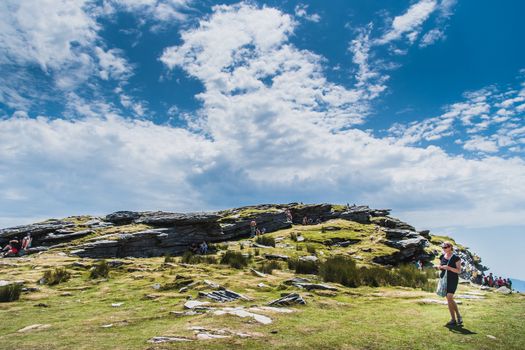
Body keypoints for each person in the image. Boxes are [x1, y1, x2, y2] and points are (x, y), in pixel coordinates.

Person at [438, 241, 462, 326]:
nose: (443, 249)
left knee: (449, 297)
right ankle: (453, 319)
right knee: (449, 299)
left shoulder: (456, 258)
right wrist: (440, 267)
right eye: (443, 247)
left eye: (445, 247)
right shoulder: (441, 256)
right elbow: (440, 266)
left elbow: (459, 271)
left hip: (453, 279)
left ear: (450, 247)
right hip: (444, 280)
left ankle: (458, 315)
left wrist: (448, 268)